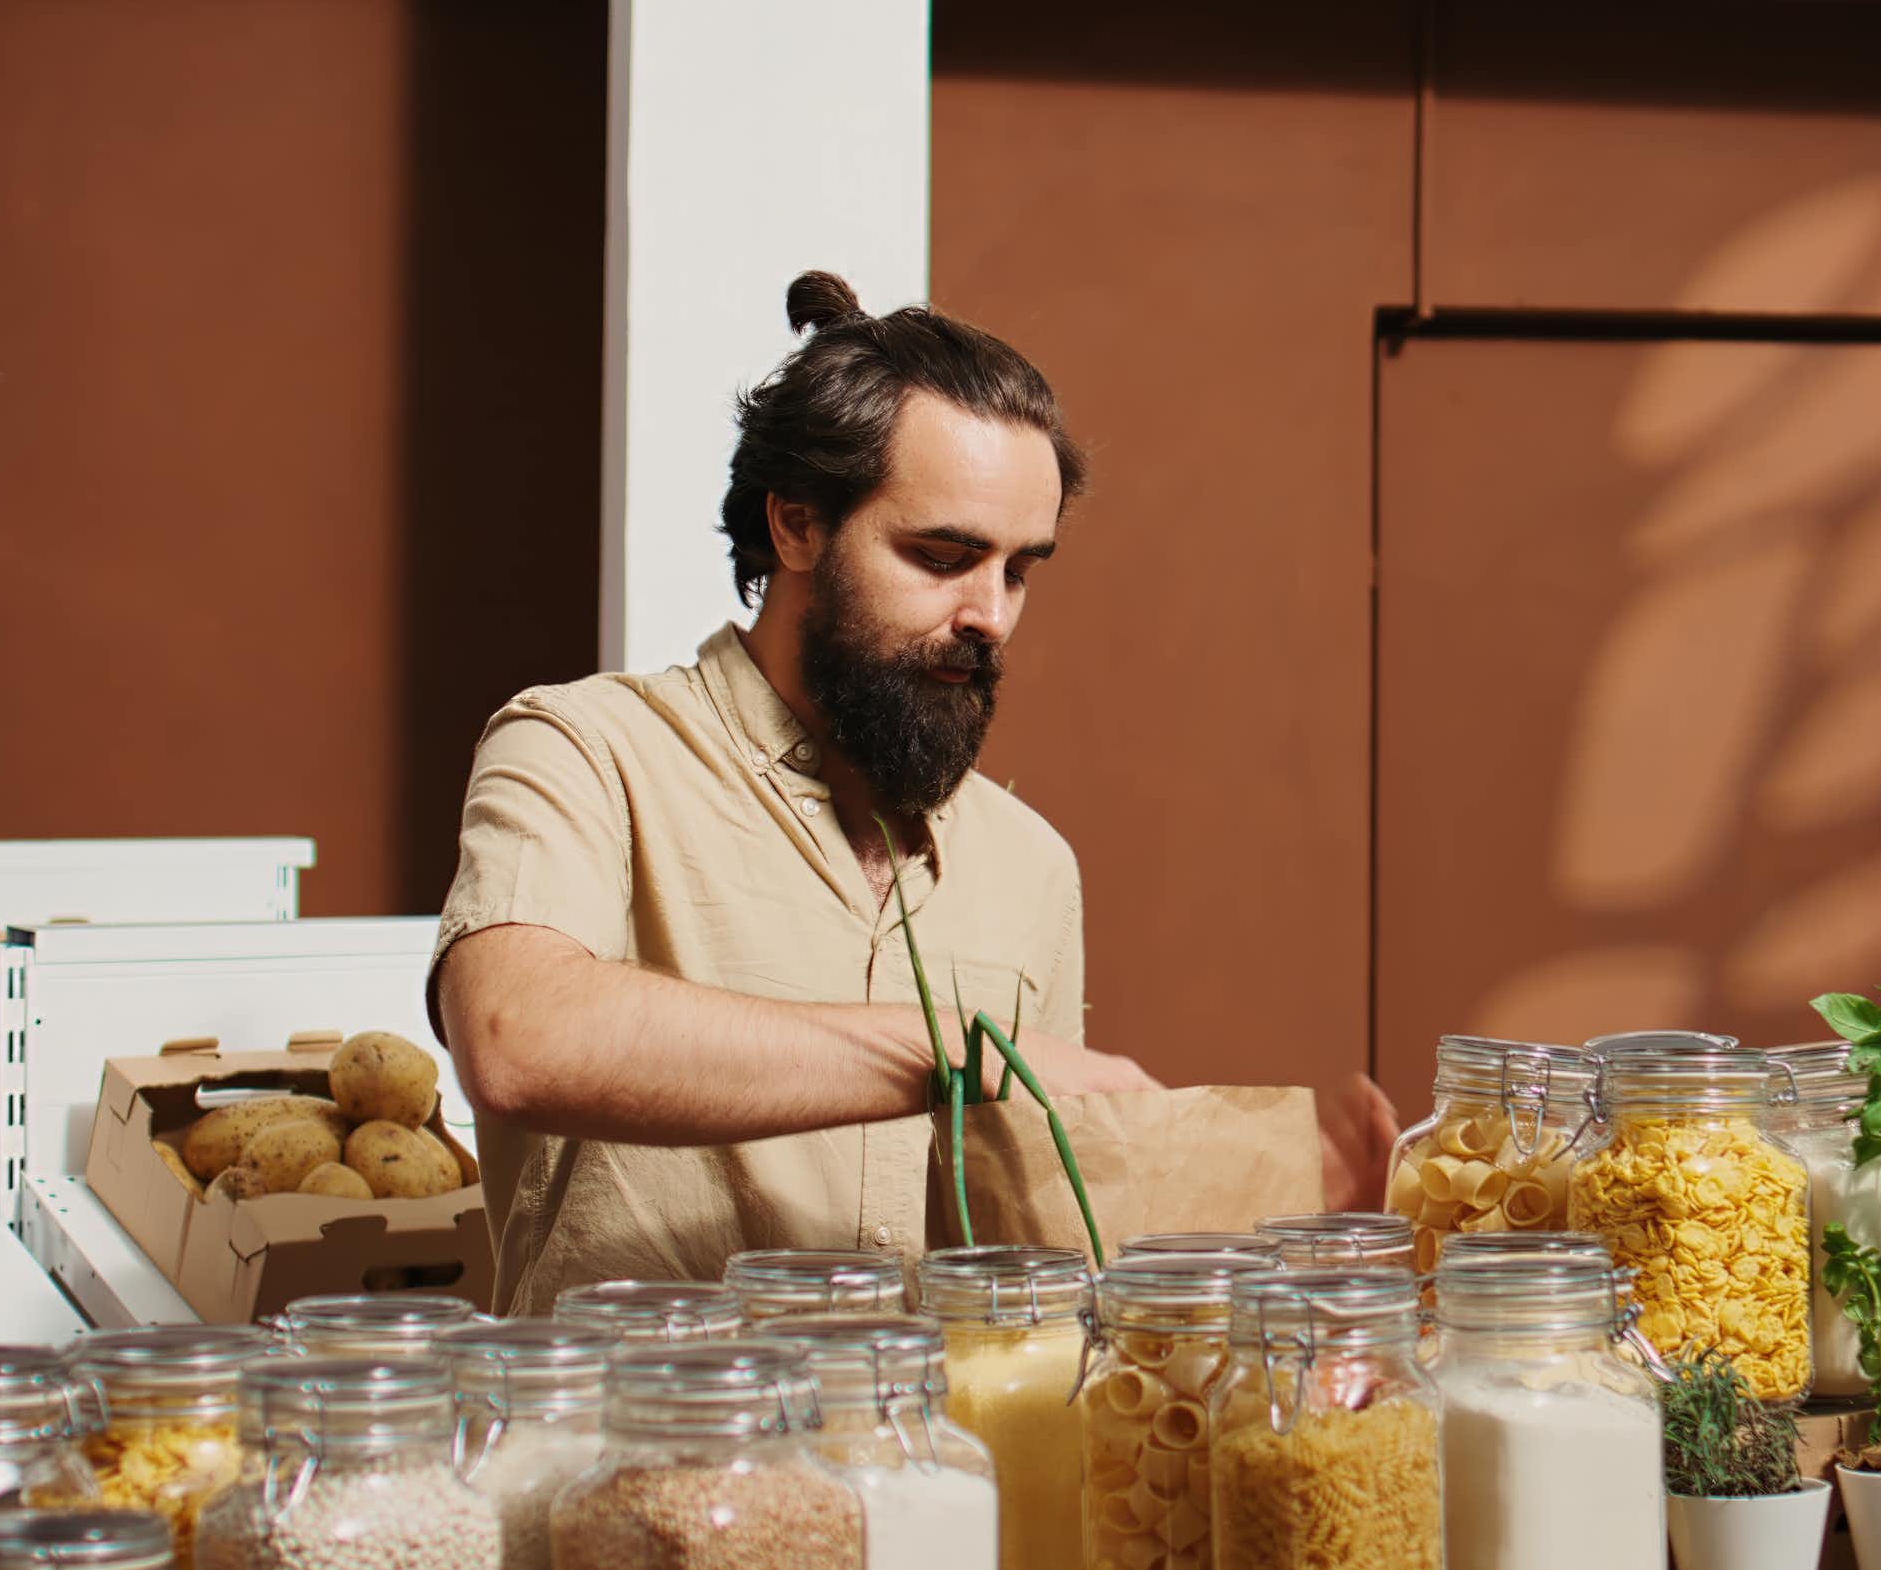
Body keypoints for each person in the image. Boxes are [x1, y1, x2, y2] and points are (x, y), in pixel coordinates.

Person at [433, 270, 1394, 1314]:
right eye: (942, 557)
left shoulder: (1029, 865)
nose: (991, 614)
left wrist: (1269, 1222)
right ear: (797, 526)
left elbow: (1027, 1233)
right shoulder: (586, 749)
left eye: (1020, 570)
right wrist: (957, 1055)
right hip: (641, 1456)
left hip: (929, 1464)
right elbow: (516, 1037)